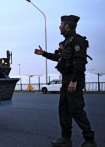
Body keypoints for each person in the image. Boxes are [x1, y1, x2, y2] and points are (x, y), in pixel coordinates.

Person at [35, 15, 96, 147]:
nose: (59, 26)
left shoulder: (77, 41)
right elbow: (59, 58)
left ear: (67, 25)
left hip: (74, 78)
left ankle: (89, 139)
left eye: (61, 24)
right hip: (66, 79)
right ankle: (65, 138)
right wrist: (43, 53)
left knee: (76, 110)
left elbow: (80, 62)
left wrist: (74, 80)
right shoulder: (66, 42)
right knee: (64, 110)